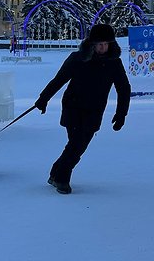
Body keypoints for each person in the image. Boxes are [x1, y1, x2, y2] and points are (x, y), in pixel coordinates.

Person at [34, 23, 130, 194]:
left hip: (94, 109)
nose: (103, 47)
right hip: (73, 106)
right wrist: (43, 99)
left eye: (106, 44)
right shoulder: (77, 58)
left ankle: (55, 173)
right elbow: (59, 80)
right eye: (100, 44)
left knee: (77, 145)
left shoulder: (114, 62)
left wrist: (121, 113)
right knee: (76, 144)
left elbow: (123, 88)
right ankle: (62, 178)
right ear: (92, 43)